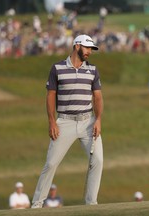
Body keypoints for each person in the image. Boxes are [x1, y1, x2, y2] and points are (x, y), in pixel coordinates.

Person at [31, 34, 104, 208]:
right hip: (65, 122)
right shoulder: (57, 68)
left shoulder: (92, 70)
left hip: (88, 122)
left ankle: (91, 203)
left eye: (91, 49)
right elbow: (50, 96)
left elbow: (98, 98)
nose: (89, 52)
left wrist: (98, 119)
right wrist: (52, 122)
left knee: (98, 161)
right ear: (77, 46)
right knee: (51, 163)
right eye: (87, 48)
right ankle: (37, 203)